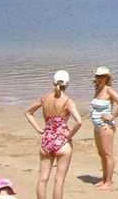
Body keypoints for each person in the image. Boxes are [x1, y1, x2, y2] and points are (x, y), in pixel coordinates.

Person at [24, 70, 83, 199]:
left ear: (53, 82)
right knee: (59, 180)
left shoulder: (45, 99)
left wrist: (39, 130)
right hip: (62, 142)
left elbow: (28, 113)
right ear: (67, 84)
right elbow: (79, 122)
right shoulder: (67, 101)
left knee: (42, 179)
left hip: (47, 140)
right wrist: (69, 136)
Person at [91, 66, 118, 191]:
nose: (99, 78)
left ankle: (109, 182)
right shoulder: (97, 89)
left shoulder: (108, 90)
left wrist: (112, 116)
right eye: (97, 76)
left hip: (106, 127)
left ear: (107, 77)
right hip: (97, 126)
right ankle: (104, 179)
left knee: (108, 154)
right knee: (101, 154)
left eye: (101, 76)